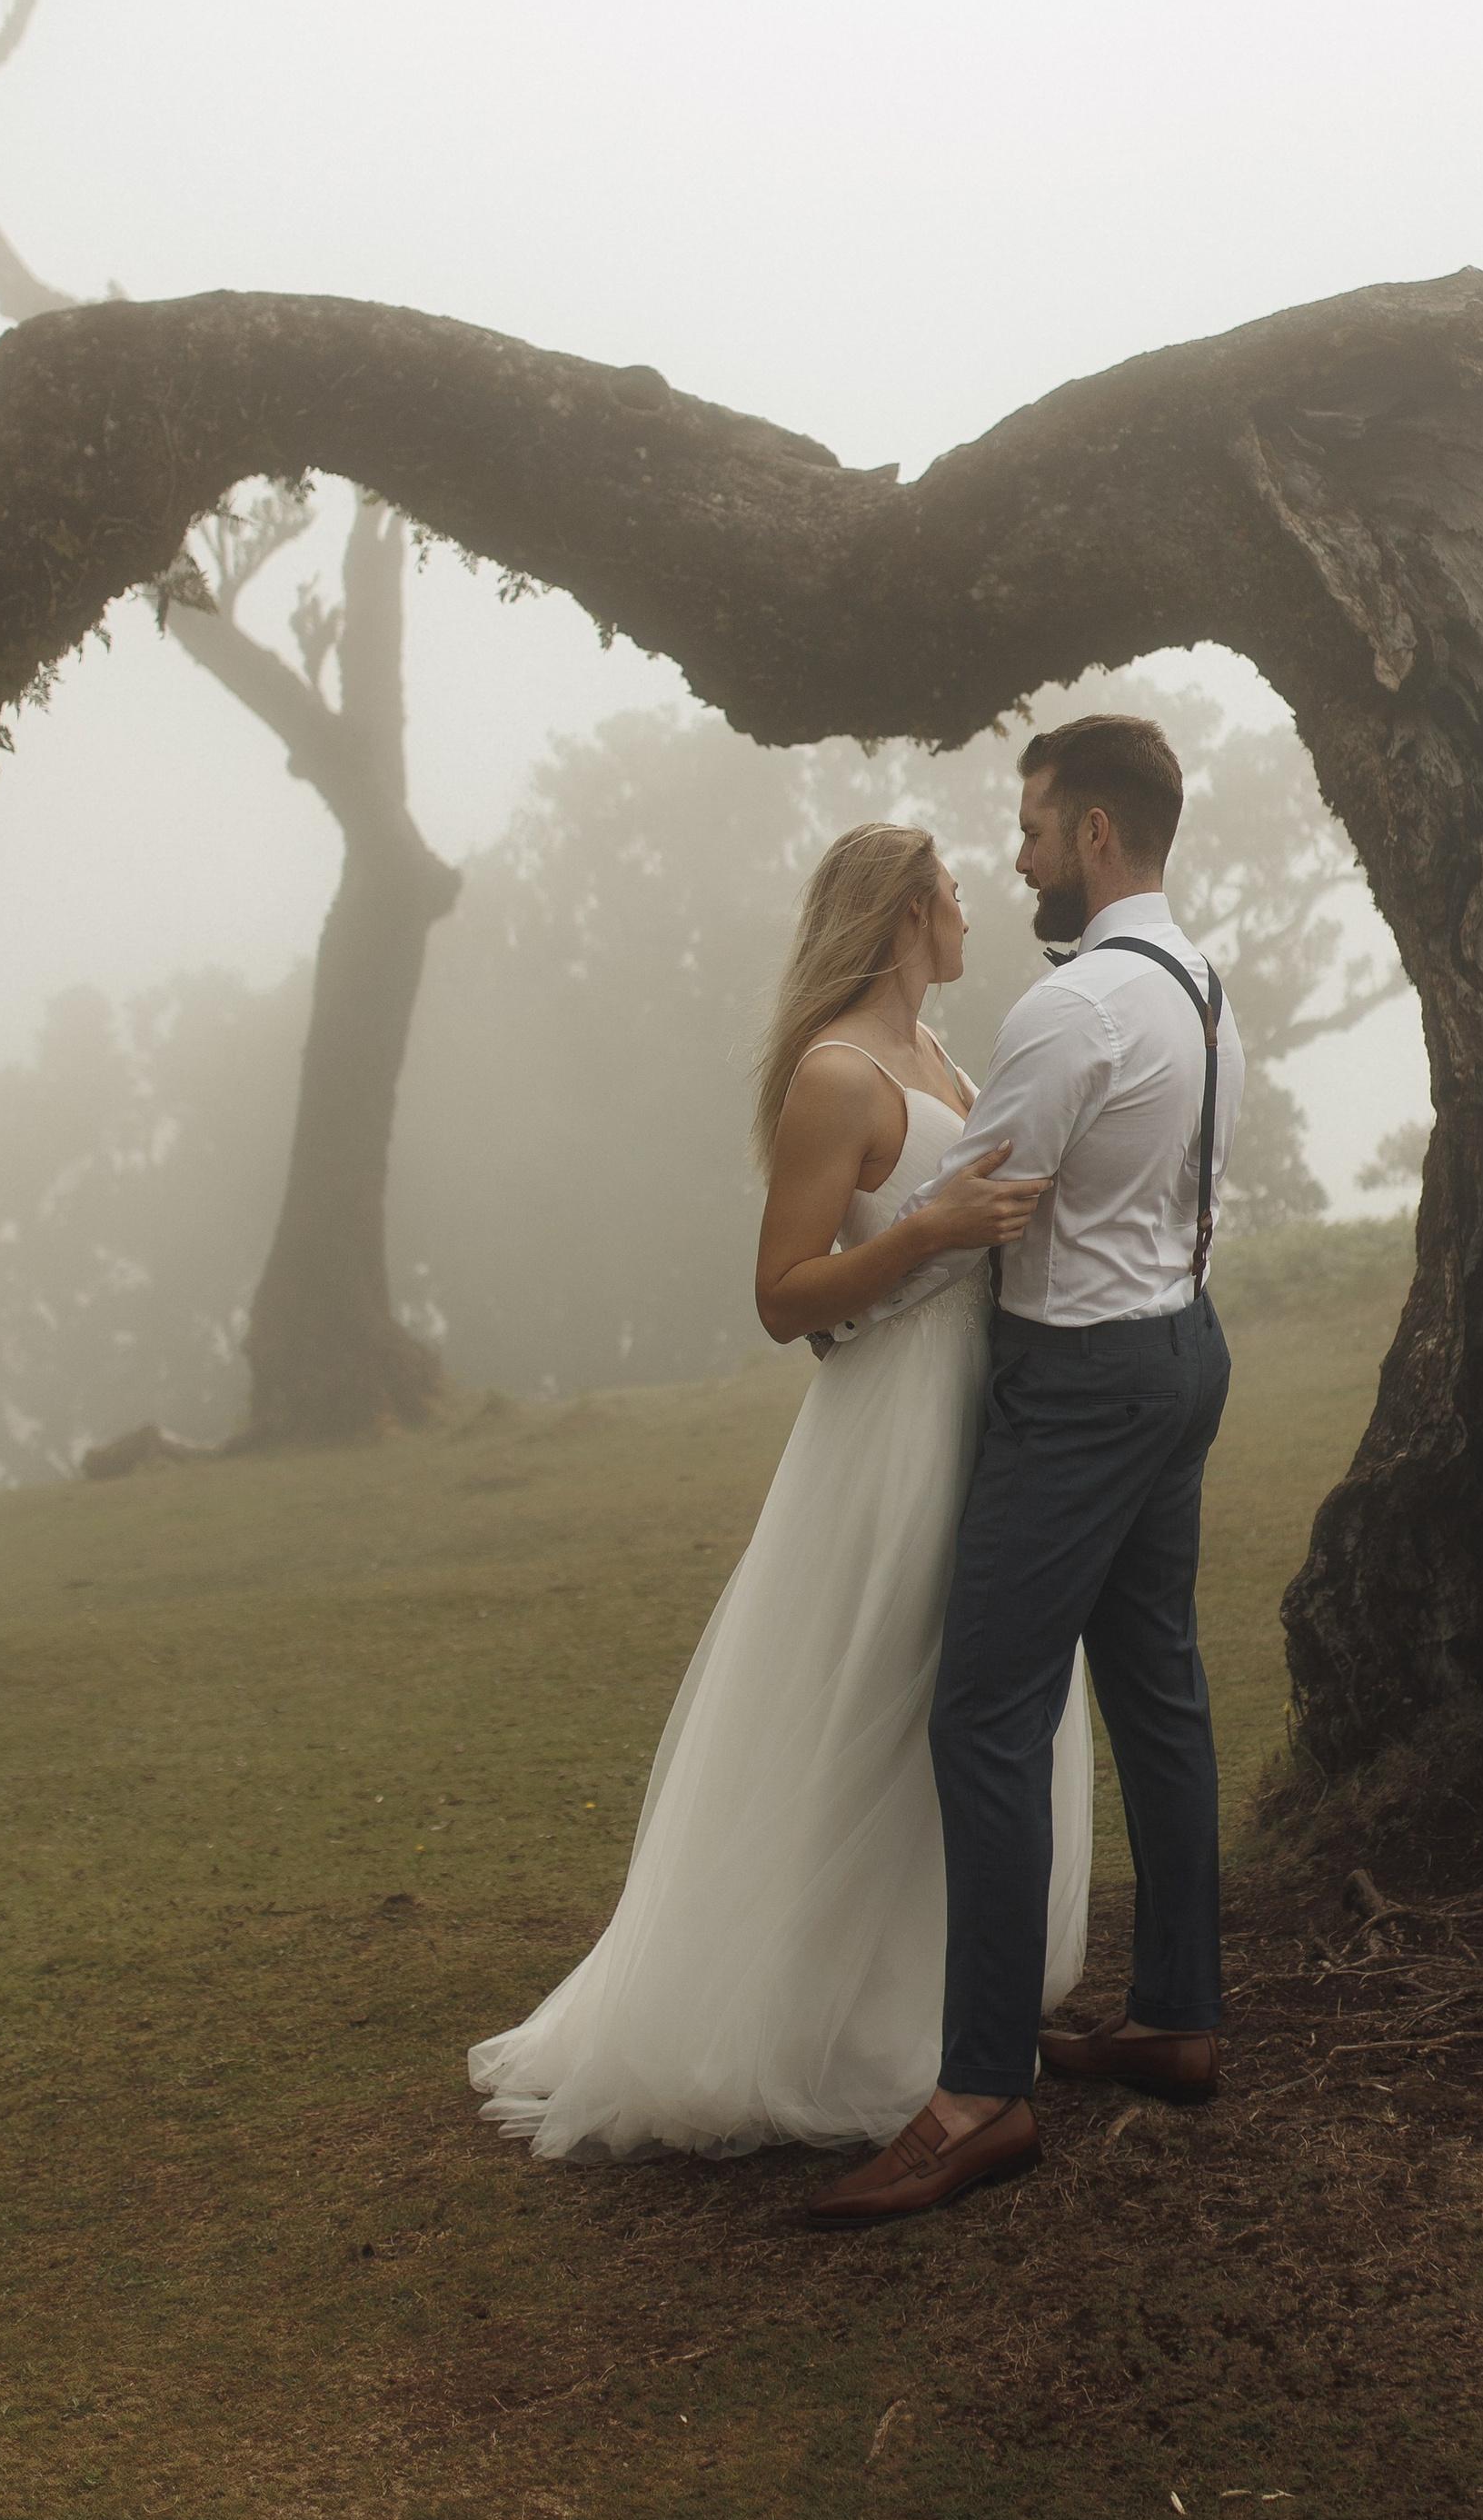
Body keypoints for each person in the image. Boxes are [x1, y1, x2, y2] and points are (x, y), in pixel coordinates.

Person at [467, 822, 1092, 2161]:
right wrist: (933, 1229)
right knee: (874, 1702)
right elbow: (781, 1296)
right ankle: (803, 2019)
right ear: (907, 914)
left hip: (982, 1409)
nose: (975, 911)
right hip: (894, 1434)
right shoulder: (837, 1073)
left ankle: (927, 1999)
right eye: (955, 895)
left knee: (965, 1713)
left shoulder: (942, 1057)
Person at [807, 713, 1244, 2228]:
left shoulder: (1075, 1012)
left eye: (1039, 825)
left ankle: (982, 2087)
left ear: (1099, 839)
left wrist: (845, 1323)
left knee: (985, 1713)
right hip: (1186, 1350)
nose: (1021, 854)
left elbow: (965, 1203)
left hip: (1079, 1389)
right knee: (1160, 1691)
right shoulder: (1201, 989)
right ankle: (1179, 2015)